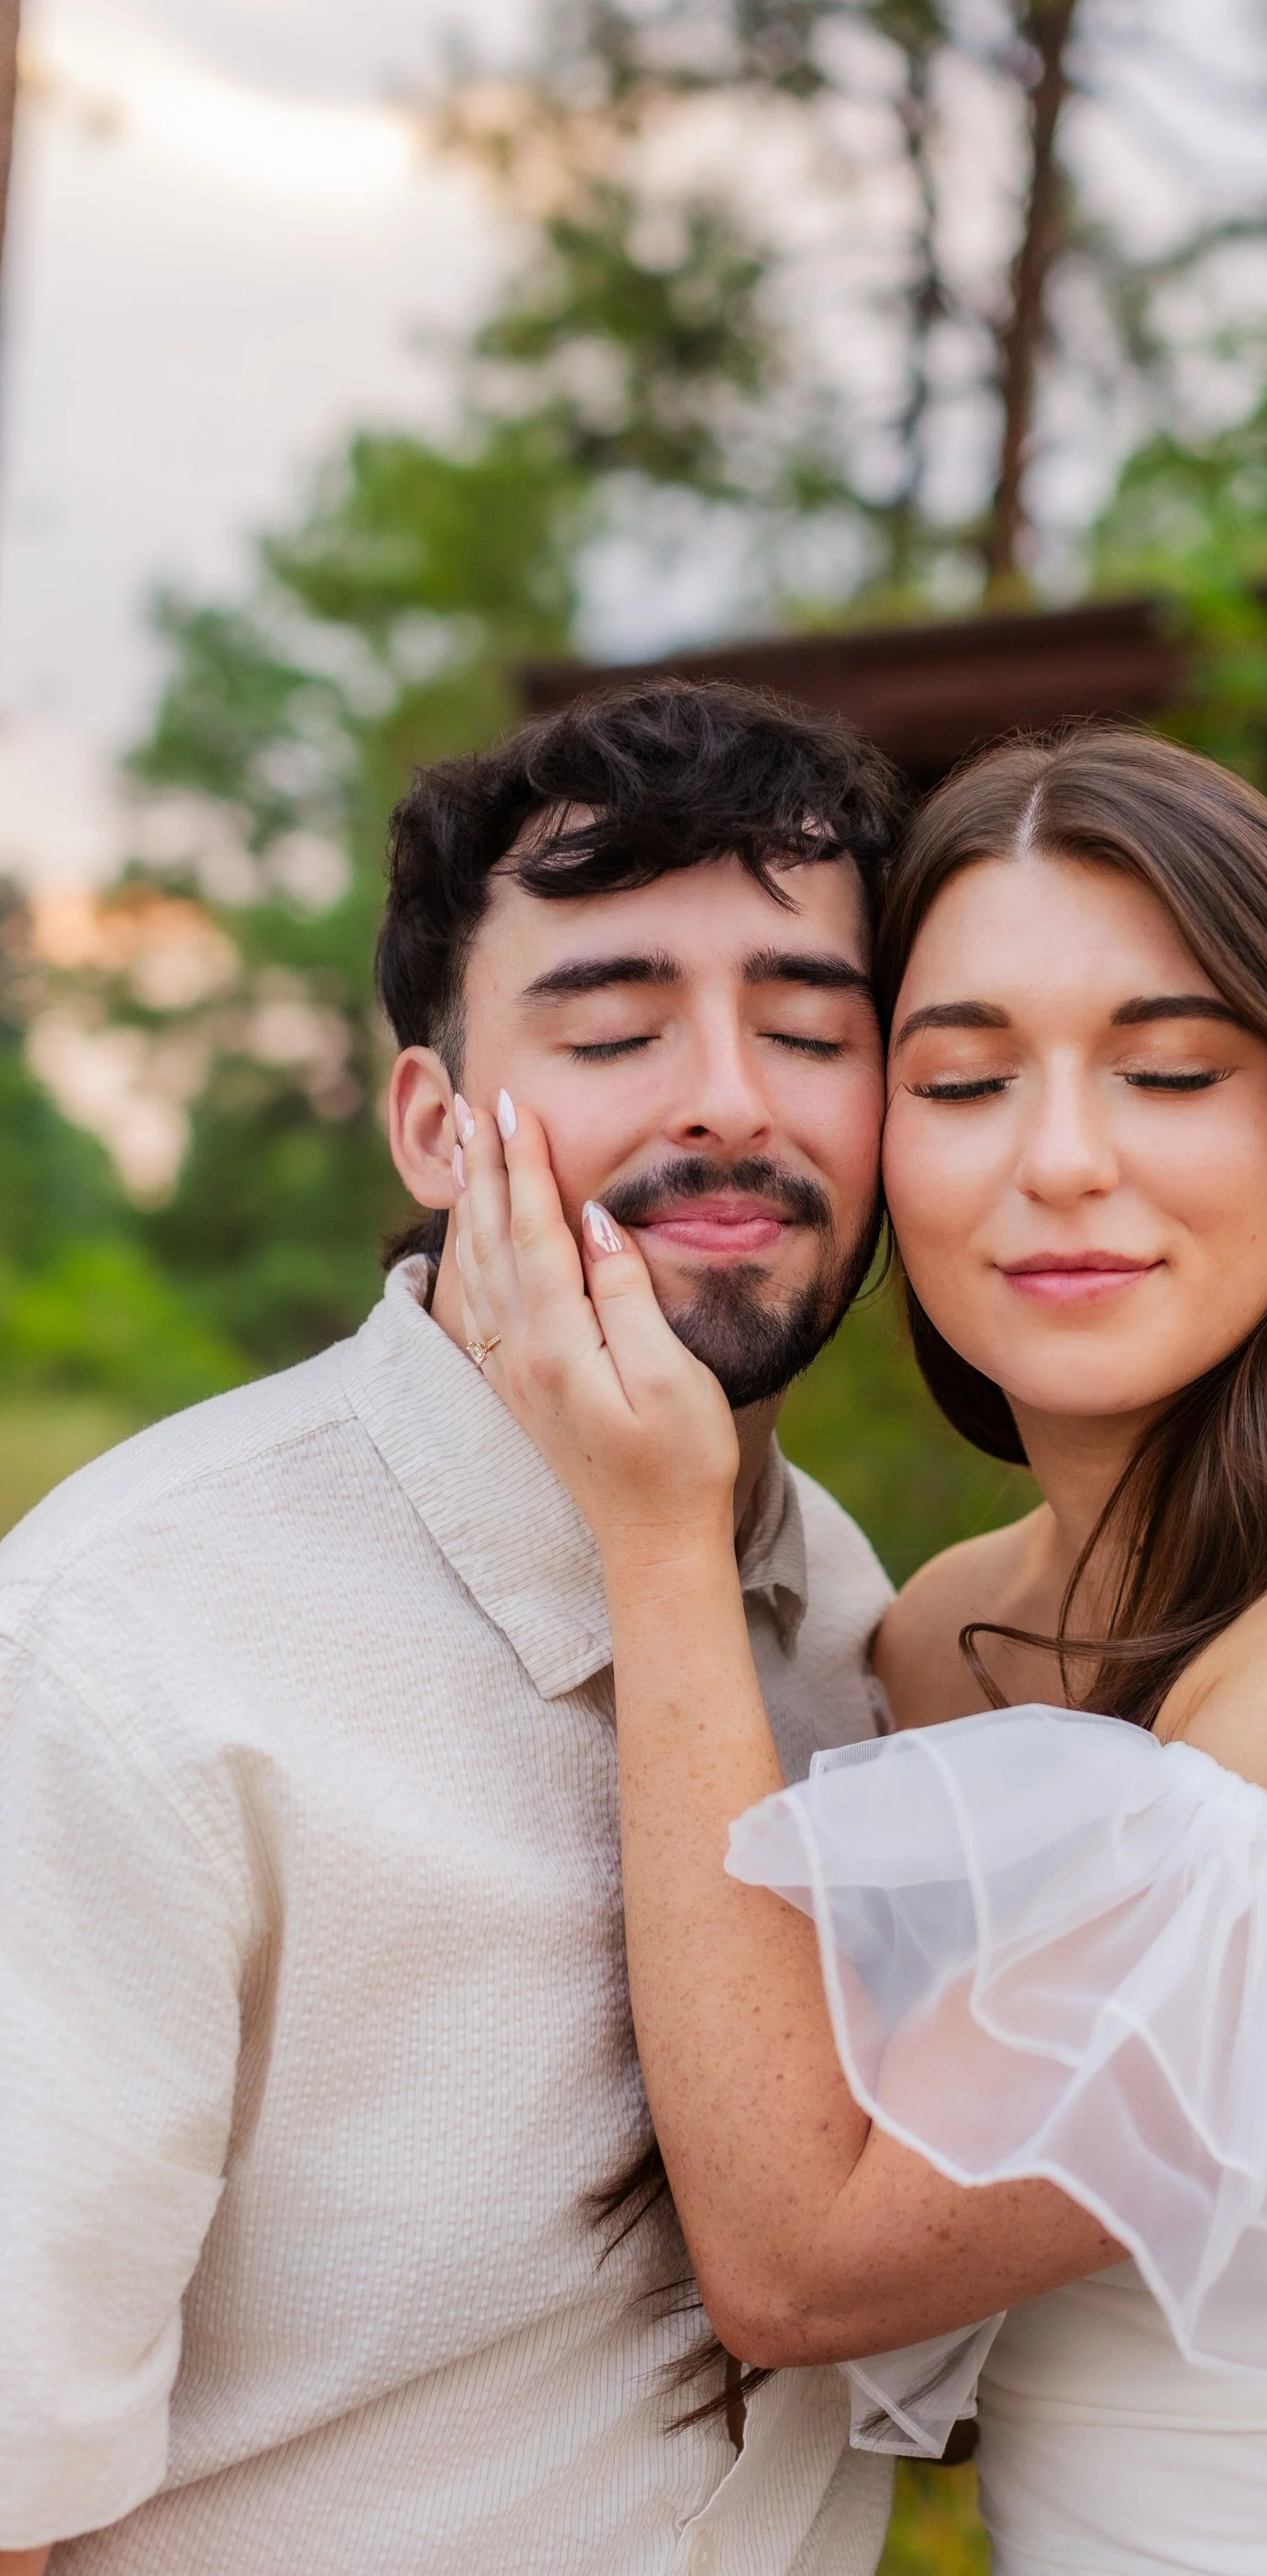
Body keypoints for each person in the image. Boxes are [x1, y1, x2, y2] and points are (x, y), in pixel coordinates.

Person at [454, 725, 1267, 2576]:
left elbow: (807, 2261)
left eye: (1170, 1069)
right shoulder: (946, 1637)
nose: (1058, 1162)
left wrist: (658, 1533)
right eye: (959, 1082)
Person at [0, 681, 909, 2576]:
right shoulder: (126, 1653)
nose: (730, 1098)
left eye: (810, 1026)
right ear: (430, 1121)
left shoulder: (857, 1623)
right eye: (611, 1023)